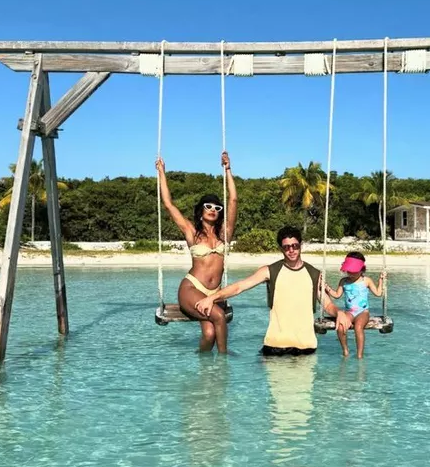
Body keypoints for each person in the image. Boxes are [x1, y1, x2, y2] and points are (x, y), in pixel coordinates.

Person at [195, 226, 347, 356]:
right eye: (287, 247)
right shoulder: (270, 271)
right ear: (281, 249)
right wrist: (212, 298)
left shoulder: (314, 274)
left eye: (295, 246)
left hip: (306, 348)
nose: (291, 250)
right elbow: (239, 287)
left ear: (301, 245)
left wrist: (339, 312)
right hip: (275, 346)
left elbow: (327, 305)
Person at [156, 151, 237, 353]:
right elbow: (168, 204)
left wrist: (228, 170)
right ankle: (224, 361)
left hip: (214, 293)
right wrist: (162, 173)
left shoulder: (224, 234)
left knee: (209, 335)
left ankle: (203, 365)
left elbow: (234, 200)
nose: (213, 209)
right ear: (201, 211)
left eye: (217, 208)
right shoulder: (192, 232)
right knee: (219, 317)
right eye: (208, 206)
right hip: (191, 288)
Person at [325, 251, 385, 359]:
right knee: (341, 326)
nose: (351, 274)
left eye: (354, 271)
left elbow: (378, 293)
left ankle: (359, 355)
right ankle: (345, 351)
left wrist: (381, 280)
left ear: (362, 269)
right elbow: (337, 295)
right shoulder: (344, 281)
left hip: (363, 312)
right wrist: (326, 287)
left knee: (358, 327)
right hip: (349, 312)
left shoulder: (366, 281)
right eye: (349, 271)